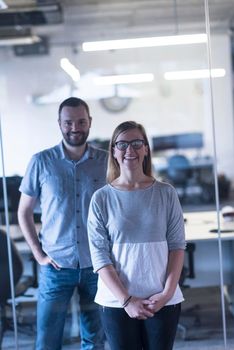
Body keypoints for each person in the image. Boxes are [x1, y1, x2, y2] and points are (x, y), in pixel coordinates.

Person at [17, 97, 107, 350]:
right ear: (59, 123)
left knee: (95, 340)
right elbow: (24, 212)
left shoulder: (107, 161)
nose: (75, 128)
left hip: (98, 266)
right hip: (56, 266)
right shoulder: (41, 162)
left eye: (81, 121)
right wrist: (39, 255)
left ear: (90, 122)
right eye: (68, 122)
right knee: (47, 341)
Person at [87, 121, 186, 350]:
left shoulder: (166, 193)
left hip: (161, 299)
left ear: (146, 149)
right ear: (113, 150)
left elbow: (177, 247)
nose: (129, 150)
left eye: (136, 143)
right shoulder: (101, 198)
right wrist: (127, 300)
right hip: (116, 302)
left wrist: (166, 294)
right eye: (122, 144)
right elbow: (100, 257)